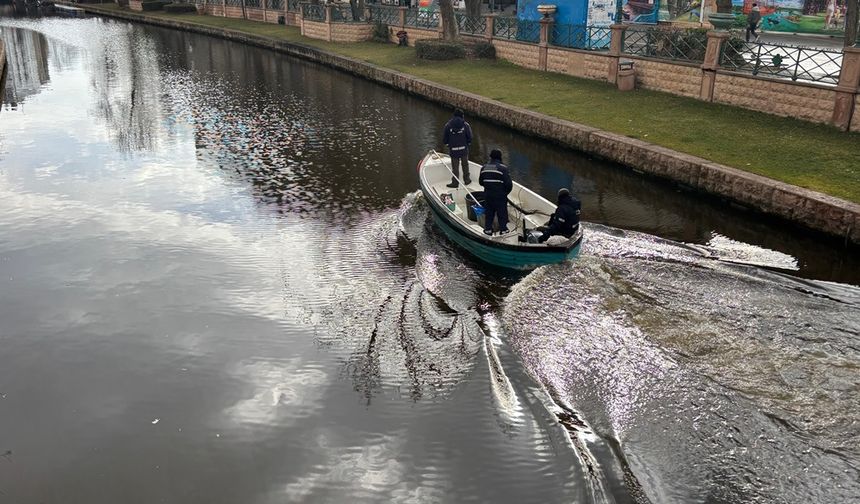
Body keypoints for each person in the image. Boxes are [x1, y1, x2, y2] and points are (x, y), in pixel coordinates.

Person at [478, 149, 513, 236]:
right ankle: (503, 230)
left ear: (491, 157)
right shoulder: (503, 168)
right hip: (500, 196)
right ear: (500, 157)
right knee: (502, 213)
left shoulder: (484, 168)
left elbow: (481, 182)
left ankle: (488, 230)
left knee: (489, 213)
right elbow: (509, 185)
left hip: (488, 195)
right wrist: (505, 193)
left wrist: (489, 187)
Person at [442, 109, 473, 188]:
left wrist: (447, 144)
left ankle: (455, 183)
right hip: (464, 149)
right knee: (465, 165)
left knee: (455, 167)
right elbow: (470, 137)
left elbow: (445, 139)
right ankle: (467, 180)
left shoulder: (448, 125)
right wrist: (468, 143)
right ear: (462, 116)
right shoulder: (465, 125)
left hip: (454, 150)